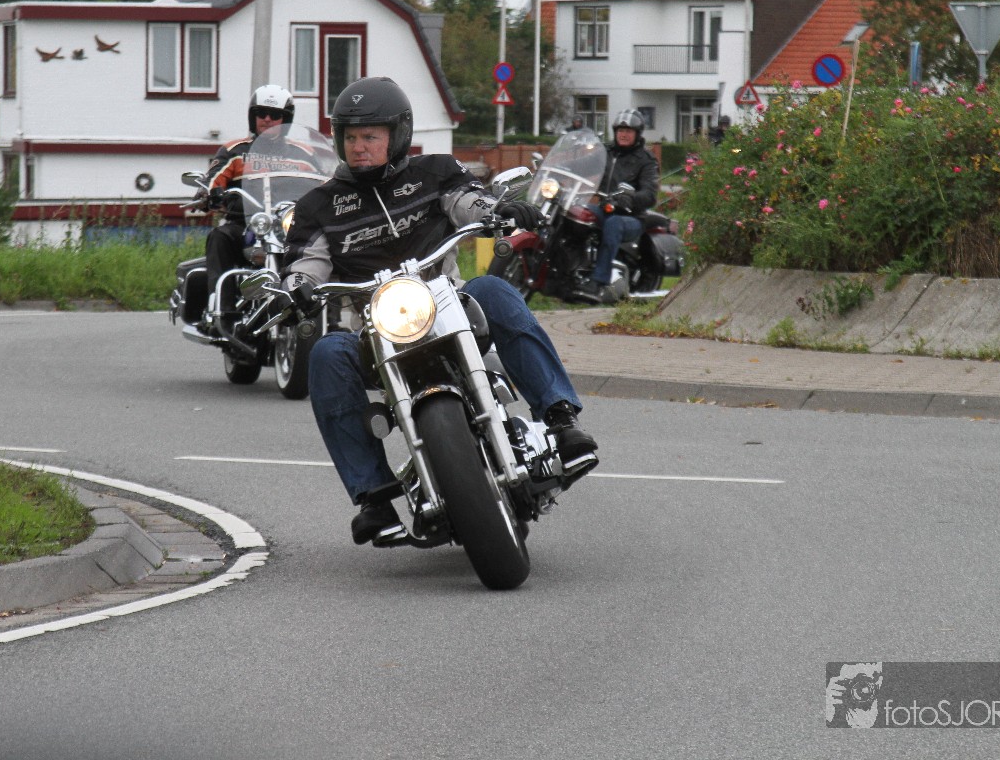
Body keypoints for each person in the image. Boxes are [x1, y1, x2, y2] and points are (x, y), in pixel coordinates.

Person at [282, 76, 599, 544]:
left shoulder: (434, 172)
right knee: (328, 353)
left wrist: (498, 213)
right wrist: (296, 288)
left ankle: (561, 419)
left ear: (398, 135)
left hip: (448, 305)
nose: (359, 147)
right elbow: (304, 264)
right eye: (350, 137)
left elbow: (469, 201)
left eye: (370, 136)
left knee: (493, 289)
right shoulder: (319, 206)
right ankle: (373, 498)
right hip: (377, 330)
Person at [200, 84, 295, 330]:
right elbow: (213, 178)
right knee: (220, 237)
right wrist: (208, 193)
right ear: (252, 117)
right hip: (246, 223)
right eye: (261, 113)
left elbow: (324, 182)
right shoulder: (235, 151)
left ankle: (328, 317)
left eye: (274, 115)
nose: (267, 119)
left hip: (289, 225)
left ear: (286, 119)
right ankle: (222, 312)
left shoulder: (302, 153)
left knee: (322, 247)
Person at [573, 108, 660, 303]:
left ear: (637, 134)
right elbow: (582, 166)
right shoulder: (606, 153)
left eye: (628, 131)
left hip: (632, 218)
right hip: (605, 209)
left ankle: (598, 281)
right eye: (620, 130)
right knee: (576, 213)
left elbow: (650, 194)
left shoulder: (646, 160)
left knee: (614, 224)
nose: (623, 134)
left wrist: (630, 198)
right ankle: (569, 271)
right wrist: (560, 168)